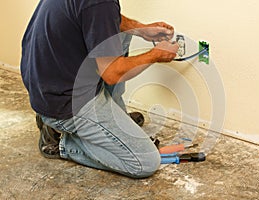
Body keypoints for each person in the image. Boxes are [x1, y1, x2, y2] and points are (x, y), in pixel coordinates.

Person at [20, 0, 179, 178]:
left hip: (48, 82)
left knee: (122, 35)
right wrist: (155, 55)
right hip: (64, 101)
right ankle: (59, 140)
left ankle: (116, 119)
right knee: (145, 161)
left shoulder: (99, 5)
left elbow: (101, 19)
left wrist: (140, 29)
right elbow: (112, 73)